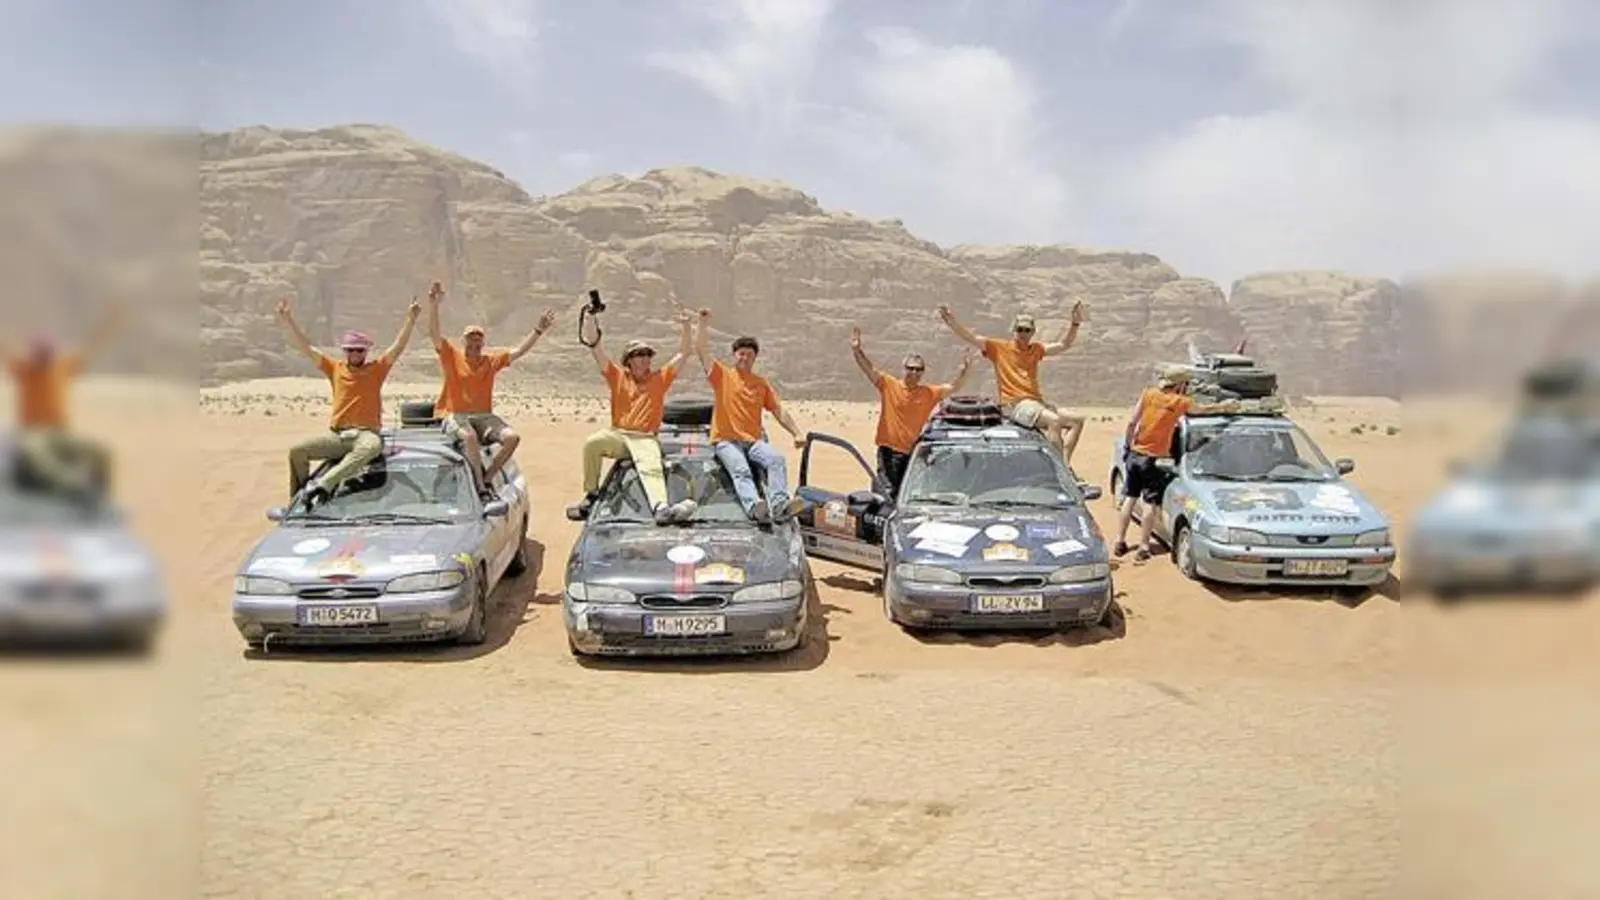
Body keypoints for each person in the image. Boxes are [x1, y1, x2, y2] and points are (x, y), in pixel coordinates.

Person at [278, 296, 420, 505]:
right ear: (345, 351)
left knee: (370, 448)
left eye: (359, 350)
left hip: (366, 434)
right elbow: (307, 348)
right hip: (338, 436)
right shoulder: (335, 368)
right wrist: (288, 320)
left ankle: (324, 484)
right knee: (297, 451)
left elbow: (397, 348)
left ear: (366, 351)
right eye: (350, 350)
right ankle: (299, 499)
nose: (354, 353)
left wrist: (411, 319)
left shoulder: (376, 369)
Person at [571, 307, 700, 524]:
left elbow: (684, 353)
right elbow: (595, 346)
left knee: (650, 467)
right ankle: (592, 494)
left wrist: (687, 326)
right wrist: (591, 317)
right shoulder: (617, 377)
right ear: (629, 360)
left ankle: (661, 508)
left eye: (648, 355)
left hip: (645, 437)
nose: (645, 359)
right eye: (640, 355)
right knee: (592, 443)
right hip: (619, 436)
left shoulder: (660, 378)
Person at [425, 282, 555, 498]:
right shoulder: (452, 356)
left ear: (483, 343)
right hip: (457, 415)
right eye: (470, 339)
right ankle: (479, 484)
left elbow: (519, 351)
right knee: (469, 438)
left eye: (478, 340)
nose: (474, 343)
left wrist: (538, 330)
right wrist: (434, 305)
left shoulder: (490, 362)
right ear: (463, 341)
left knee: (512, 438)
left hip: (484, 416)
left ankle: (488, 475)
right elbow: (434, 333)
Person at [692, 308, 807, 524]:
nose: (744, 357)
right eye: (741, 353)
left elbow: (778, 410)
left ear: (755, 358)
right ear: (734, 355)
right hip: (726, 441)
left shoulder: (760, 384)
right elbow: (701, 350)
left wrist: (796, 433)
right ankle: (754, 506)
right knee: (741, 470)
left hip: (753, 441)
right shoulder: (722, 375)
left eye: (749, 354)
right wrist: (702, 323)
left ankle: (779, 504)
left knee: (776, 459)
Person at [1113, 366, 1238, 562]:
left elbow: (1131, 422)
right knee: (1150, 503)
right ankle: (1144, 546)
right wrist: (1224, 407)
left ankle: (1119, 542)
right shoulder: (1180, 402)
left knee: (1129, 498)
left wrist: (1129, 447)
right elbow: (1202, 410)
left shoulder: (1148, 394)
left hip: (1135, 455)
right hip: (1153, 460)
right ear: (1180, 384)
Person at [936, 302, 1088, 463]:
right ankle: (1058, 468)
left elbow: (1064, 344)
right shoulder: (1000, 348)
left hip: (1036, 403)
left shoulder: (1036, 350)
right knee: (1054, 421)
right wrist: (951, 322)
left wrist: (1075, 324)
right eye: (1020, 330)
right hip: (1015, 404)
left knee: (1076, 421)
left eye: (1027, 330)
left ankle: (1065, 464)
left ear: (1032, 332)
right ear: (1014, 331)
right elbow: (970, 337)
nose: (1023, 333)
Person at [3, 302, 123, 504]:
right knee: (35, 451)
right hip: (33, 433)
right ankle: (72, 485)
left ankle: (101, 500)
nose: (44, 356)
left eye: (48, 352)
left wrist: (111, 321)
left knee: (102, 453)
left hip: (61, 433)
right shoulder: (24, 370)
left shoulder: (63, 367)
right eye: (40, 352)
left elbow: (93, 345)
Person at [849, 325, 973, 497]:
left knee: (908, 495)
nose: (914, 372)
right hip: (890, 452)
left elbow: (954, 387)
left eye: (918, 369)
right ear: (904, 368)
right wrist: (857, 351)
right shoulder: (889, 385)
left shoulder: (929, 393)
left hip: (914, 454)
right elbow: (869, 369)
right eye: (911, 368)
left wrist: (964, 370)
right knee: (887, 494)